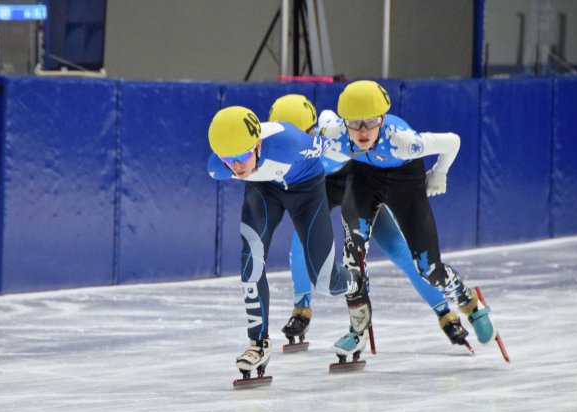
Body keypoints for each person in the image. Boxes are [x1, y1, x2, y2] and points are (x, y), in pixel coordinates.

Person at [268, 94, 469, 351]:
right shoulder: (278, 152)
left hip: (355, 183)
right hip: (320, 189)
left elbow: (338, 121)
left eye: (296, 136)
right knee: (301, 240)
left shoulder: (328, 132)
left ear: (311, 129)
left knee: (398, 249)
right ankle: (301, 309)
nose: (289, 145)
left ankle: (444, 312)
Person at [319, 80, 495, 358]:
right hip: (363, 178)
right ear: (344, 123)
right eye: (354, 123)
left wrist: (439, 173)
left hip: (405, 181)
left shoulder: (403, 141)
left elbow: (452, 141)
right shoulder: (335, 134)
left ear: (383, 119)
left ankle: (468, 301)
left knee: (430, 270)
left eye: (370, 122)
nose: (362, 131)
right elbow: (324, 120)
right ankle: (358, 330)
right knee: (352, 259)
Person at [206, 106, 364, 378]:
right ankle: (258, 343)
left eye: (243, 155)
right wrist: (233, 160)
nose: (237, 166)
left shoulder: (291, 143)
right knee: (250, 262)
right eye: (228, 160)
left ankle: (356, 282)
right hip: (265, 190)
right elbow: (233, 161)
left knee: (326, 283)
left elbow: (335, 147)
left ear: (256, 144)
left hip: (306, 188)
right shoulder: (218, 167)